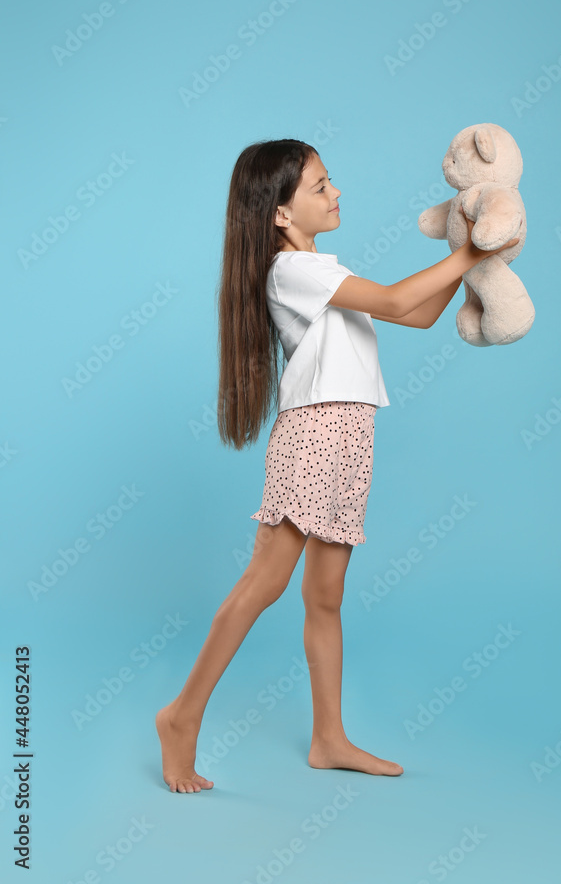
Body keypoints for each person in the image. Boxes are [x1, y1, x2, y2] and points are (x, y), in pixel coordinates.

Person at [155, 138, 519, 793]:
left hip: (350, 434)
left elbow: (415, 313)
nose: (336, 192)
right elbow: (393, 301)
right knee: (263, 584)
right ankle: (180, 716)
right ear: (279, 213)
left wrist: (466, 258)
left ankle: (328, 738)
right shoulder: (290, 271)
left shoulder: (322, 269)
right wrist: (469, 252)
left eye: (331, 181)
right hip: (315, 434)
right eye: (320, 185)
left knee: (325, 596)